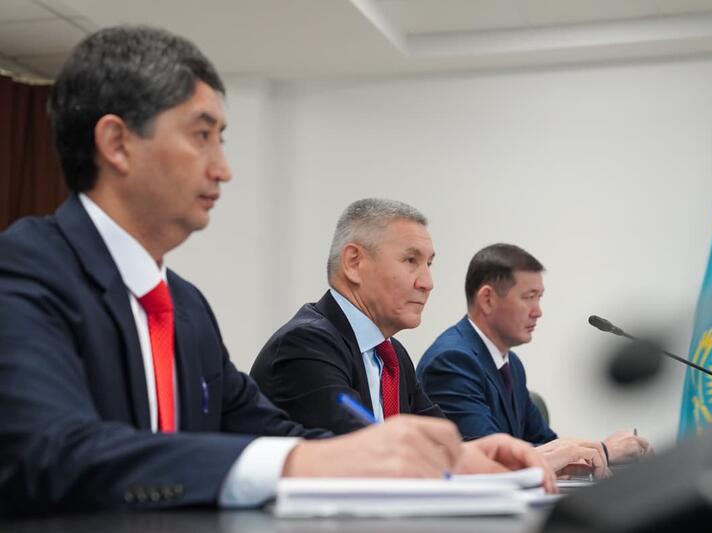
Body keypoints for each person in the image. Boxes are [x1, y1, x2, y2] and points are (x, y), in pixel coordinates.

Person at [0, 27, 557, 515]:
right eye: (201, 135)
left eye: (221, 139)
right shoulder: (25, 273)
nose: (223, 168)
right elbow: (52, 453)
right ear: (117, 143)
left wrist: (446, 459)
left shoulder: (184, 306)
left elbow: (263, 427)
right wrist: (302, 461)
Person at [251, 200, 608, 479]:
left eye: (429, 264)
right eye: (411, 260)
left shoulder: (392, 355)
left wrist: (530, 457)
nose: (427, 283)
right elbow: (370, 453)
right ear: (354, 263)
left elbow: (452, 443)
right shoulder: (307, 345)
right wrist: (522, 462)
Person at [417, 243, 652, 467]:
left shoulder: (511, 364)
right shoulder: (452, 361)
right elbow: (490, 457)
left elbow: (545, 442)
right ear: (487, 300)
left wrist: (593, 454)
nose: (538, 312)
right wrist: (604, 450)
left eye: (539, 298)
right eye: (529, 297)